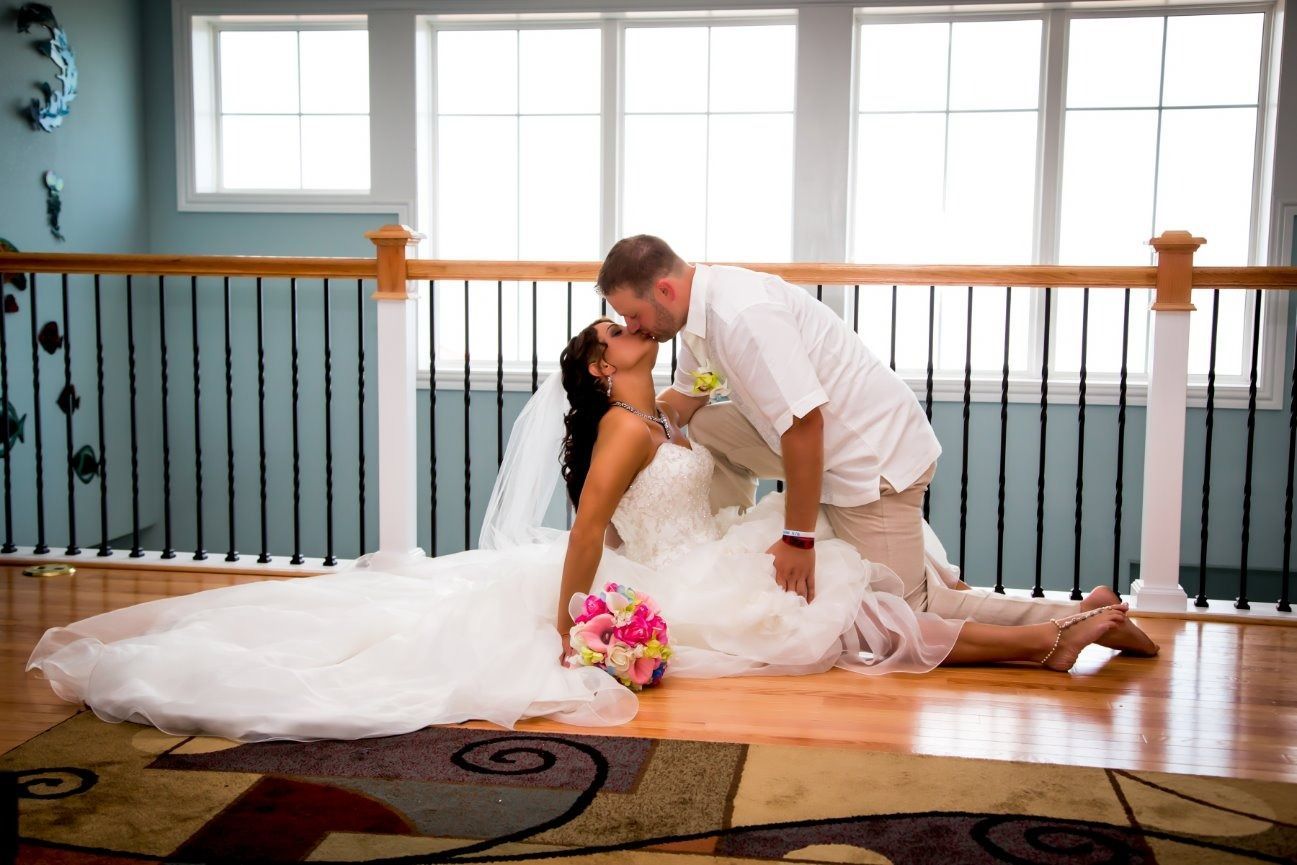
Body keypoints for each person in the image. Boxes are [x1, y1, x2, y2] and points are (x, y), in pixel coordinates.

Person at [24, 320, 1144, 745]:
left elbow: (711, 452)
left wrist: (699, 415)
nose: (636, 330)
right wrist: (573, 619)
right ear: (603, 365)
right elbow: (594, 527)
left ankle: (1056, 632)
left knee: (855, 589)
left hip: (712, 554)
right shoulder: (618, 426)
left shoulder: (664, 410)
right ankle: (1053, 636)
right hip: (663, 580)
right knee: (848, 607)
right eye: (618, 330)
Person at [596, 235, 1158, 657]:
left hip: (873, 461)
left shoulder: (743, 316)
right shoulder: (698, 318)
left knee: (903, 615)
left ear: (665, 290)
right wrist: (623, 418)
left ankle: (1055, 637)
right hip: (818, 444)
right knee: (712, 428)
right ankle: (1086, 612)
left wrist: (797, 538)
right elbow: (690, 399)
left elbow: (805, 426)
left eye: (633, 313)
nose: (633, 325)